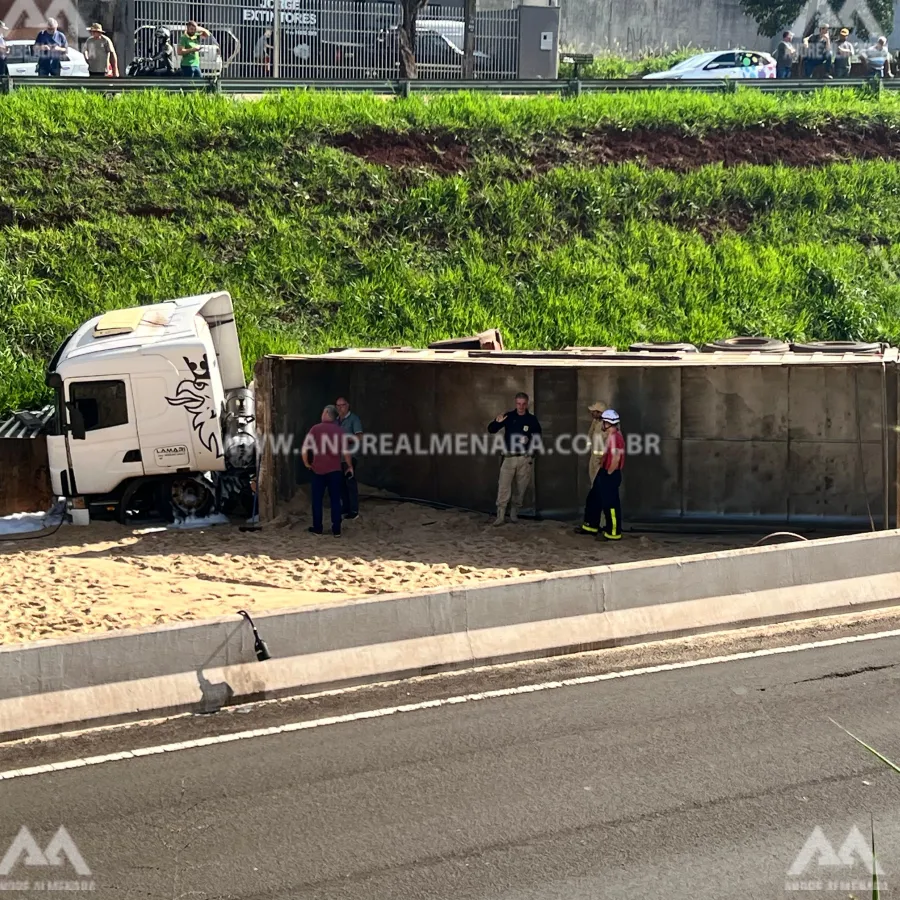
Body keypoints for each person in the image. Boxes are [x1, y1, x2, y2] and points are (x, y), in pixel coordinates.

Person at [487, 391, 542, 526]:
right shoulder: (509, 416)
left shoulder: (531, 419)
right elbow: (491, 429)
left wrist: (530, 445)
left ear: (527, 404)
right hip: (509, 457)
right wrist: (496, 422)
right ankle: (500, 515)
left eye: (523, 404)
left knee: (521, 488)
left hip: (524, 458)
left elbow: (538, 437)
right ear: (515, 403)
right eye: (518, 404)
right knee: (504, 487)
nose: (521, 406)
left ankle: (514, 513)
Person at [301, 405, 352, 537]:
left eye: (323, 412)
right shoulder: (340, 431)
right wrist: (349, 466)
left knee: (317, 500)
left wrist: (307, 464)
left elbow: (305, 448)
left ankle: (318, 527)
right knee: (335, 499)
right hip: (335, 470)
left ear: (327, 414)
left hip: (318, 471)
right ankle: (336, 529)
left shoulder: (316, 429)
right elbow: (346, 452)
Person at [576, 409, 625, 541]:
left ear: (608, 423)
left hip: (610, 473)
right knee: (594, 498)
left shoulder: (615, 437)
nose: (602, 423)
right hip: (604, 471)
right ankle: (591, 525)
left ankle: (613, 532)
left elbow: (616, 458)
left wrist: (608, 473)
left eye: (604, 421)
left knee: (611, 504)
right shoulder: (612, 436)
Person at [336, 396, 362, 520]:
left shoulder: (354, 419)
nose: (341, 408)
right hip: (338, 457)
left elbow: (359, 437)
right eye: (338, 406)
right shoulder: (336, 421)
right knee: (341, 483)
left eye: (343, 405)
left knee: (350, 482)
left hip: (350, 456)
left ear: (348, 405)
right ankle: (345, 507)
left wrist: (346, 439)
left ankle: (354, 510)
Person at [587, 401, 607, 485]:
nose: (591, 413)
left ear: (600, 412)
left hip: (602, 459)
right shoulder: (595, 421)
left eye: (594, 411)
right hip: (594, 457)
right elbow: (590, 434)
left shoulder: (608, 424)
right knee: (593, 481)